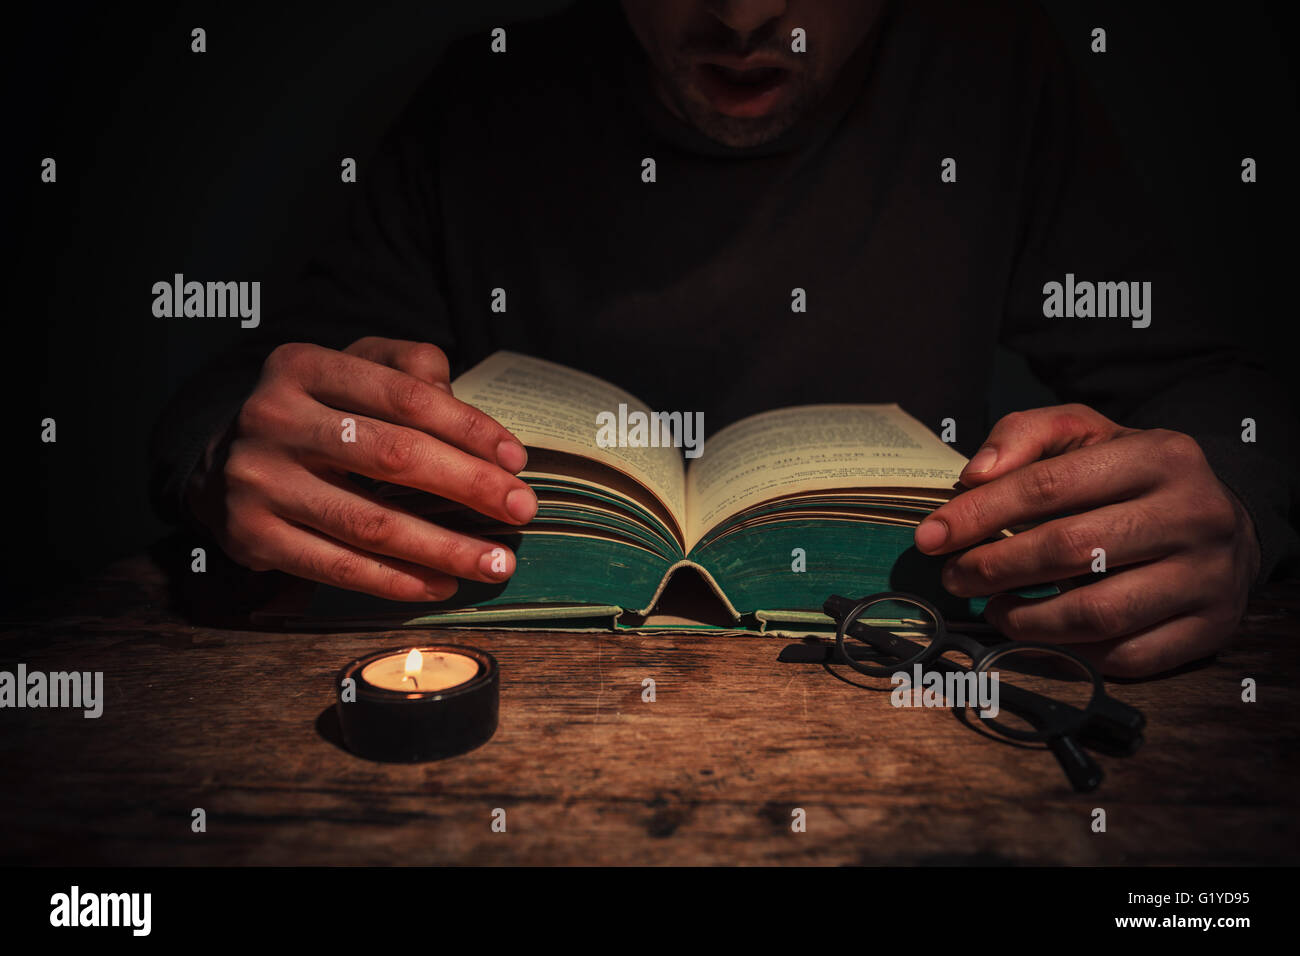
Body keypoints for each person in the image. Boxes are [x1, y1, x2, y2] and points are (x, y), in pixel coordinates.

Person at [151, 0, 1298, 677]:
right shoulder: (485, 95)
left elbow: (1218, 389)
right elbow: (261, 395)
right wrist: (228, 468)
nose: (747, 16)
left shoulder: (999, 77)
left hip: (887, 687)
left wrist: (1230, 514)